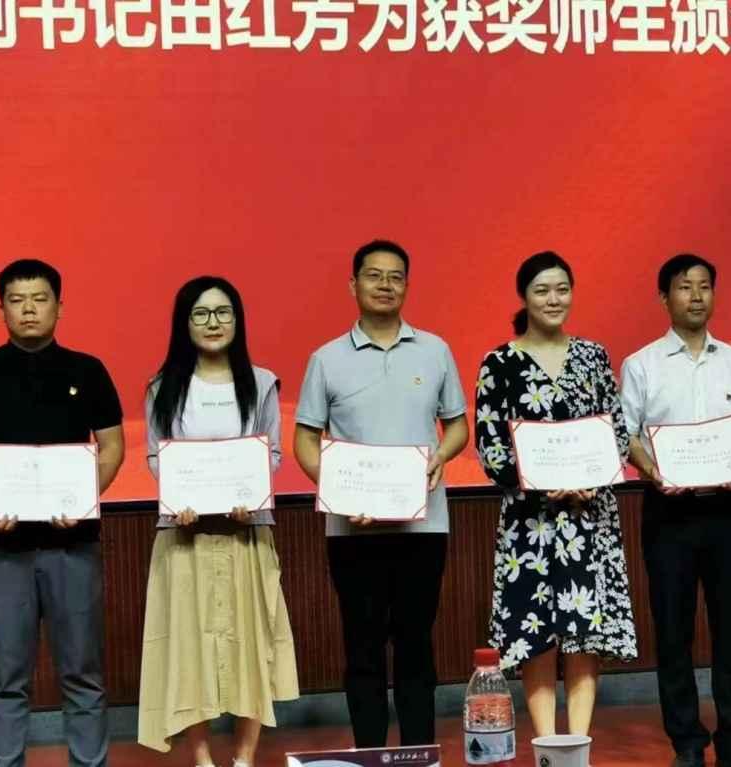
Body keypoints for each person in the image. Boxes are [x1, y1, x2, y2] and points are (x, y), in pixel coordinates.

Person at [0, 259, 126, 767]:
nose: (29, 309)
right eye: (17, 300)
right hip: (1, 547)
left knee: (83, 671)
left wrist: (85, 497)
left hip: (74, 544)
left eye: (40, 299)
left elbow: (112, 447)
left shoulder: (88, 371)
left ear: (59, 307)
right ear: (1, 308)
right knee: (6, 675)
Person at [293, 240, 468, 747]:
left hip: (423, 526)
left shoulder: (435, 351)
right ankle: (369, 752)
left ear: (406, 286)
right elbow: (305, 437)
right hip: (353, 530)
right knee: (363, 647)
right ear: (353, 284)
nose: (385, 285)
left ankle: (419, 751)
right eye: (374, 275)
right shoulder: (326, 358)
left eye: (396, 277)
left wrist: (441, 454)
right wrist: (336, 489)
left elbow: (457, 426)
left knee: (416, 643)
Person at [474, 251, 638, 748]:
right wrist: (541, 485)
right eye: (542, 290)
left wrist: (595, 479)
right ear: (524, 296)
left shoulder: (593, 356)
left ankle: (578, 744)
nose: (553, 299)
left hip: (589, 516)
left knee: (585, 634)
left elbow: (617, 430)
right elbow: (490, 446)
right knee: (537, 632)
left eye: (562, 289)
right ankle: (547, 745)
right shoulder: (499, 364)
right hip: (530, 523)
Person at [138, 276, 299, 765]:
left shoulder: (262, 382)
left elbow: (271, 453)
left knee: (252, 643)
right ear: (184, 323)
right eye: (201, 313)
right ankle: (203, 758)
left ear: (237, 320)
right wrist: (178, 498)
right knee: (189, 647)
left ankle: (245, 757)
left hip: (246, 533)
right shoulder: (162, 388)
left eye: (223, 312)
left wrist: (249, 496)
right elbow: (156, 455)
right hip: (183, 535)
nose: (213, 323)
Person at [620, 254, 731, 767]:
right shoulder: (641, 365)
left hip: (729, 510)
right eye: (685, 287)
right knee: (673, 630)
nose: (697, 296)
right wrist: (653, 470)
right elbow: (627, 435)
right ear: (664, 298)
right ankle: (686, 741)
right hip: (669, 512)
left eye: (705, 286)